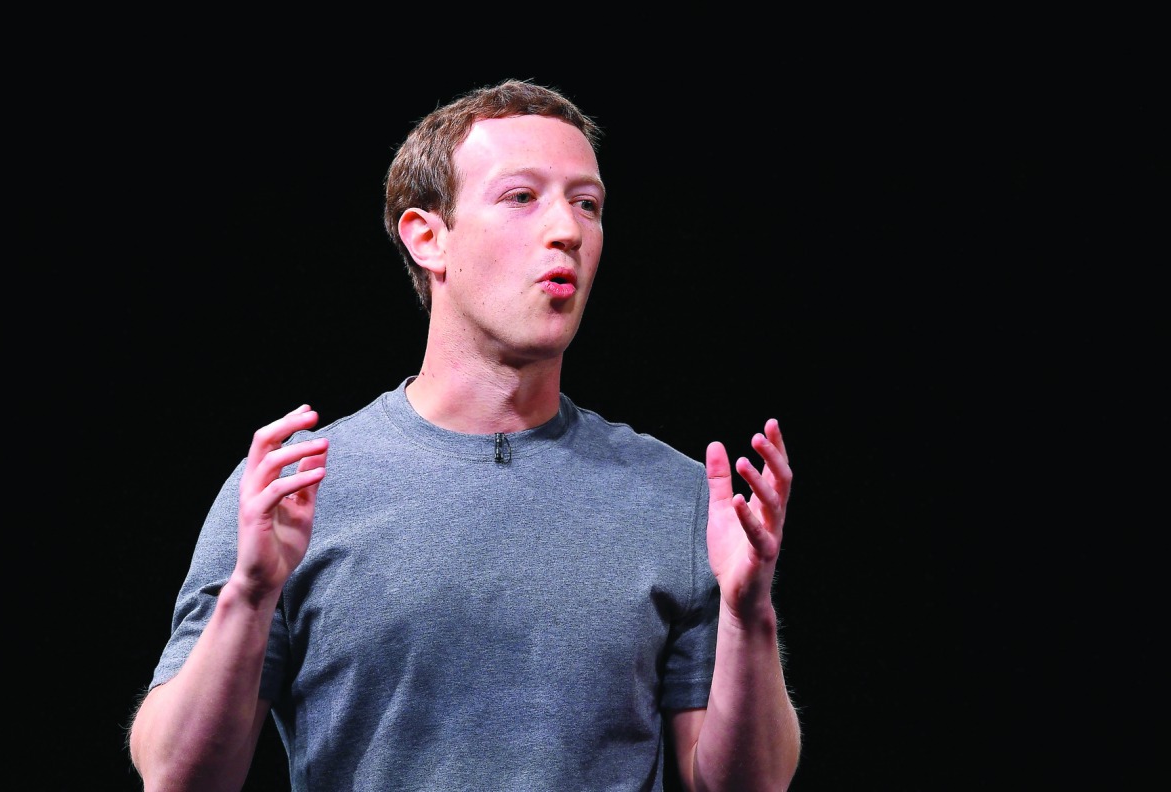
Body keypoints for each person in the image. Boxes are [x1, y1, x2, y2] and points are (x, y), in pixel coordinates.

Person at [127, 78, 801, 792]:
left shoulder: (679, 495)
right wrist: (250, 594)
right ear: (428, 237)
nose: (567, 230)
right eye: (521, 197)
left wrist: (748, 613)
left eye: (587, 203)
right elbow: (177, 777)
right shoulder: (298, 488)